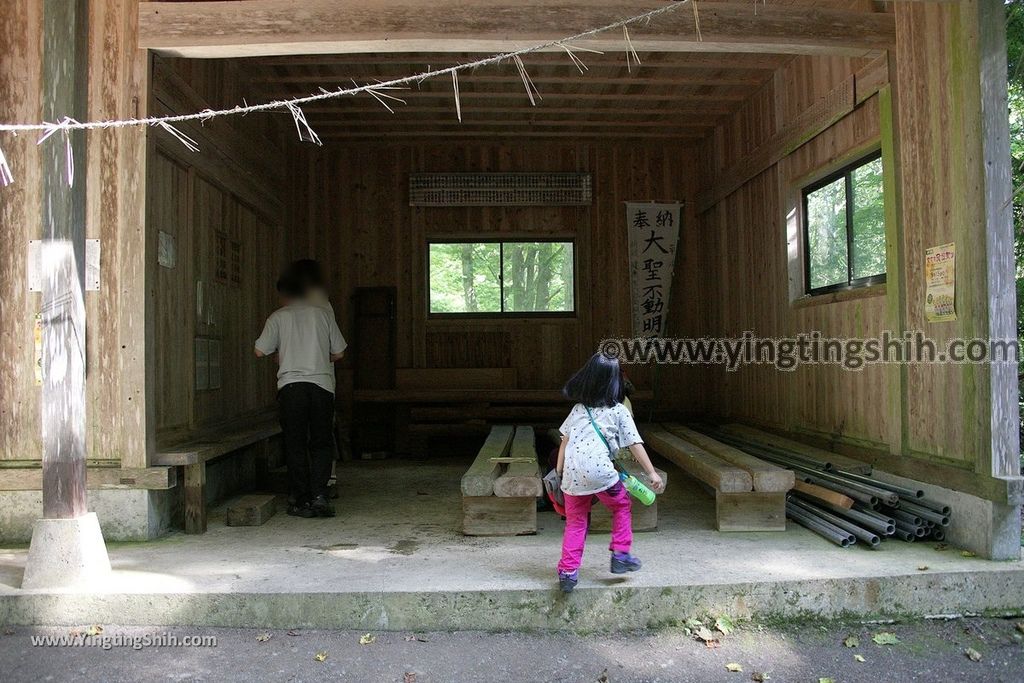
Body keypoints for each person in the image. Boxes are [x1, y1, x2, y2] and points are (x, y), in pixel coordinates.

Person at [555, 352, 664, 593]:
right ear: (615, 381)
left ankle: (568, 573)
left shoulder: (578, 409)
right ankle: (621, 554)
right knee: (621, 505)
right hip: (602, 473)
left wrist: (558, 473)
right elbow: (635, 444)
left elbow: (564, 442)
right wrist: (652, 473)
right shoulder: (618, 411)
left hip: (572, 476)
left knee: (576, 522)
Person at [255, 262, 346, 519]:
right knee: (321, 442)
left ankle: (299, 499)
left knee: (294, 443)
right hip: (321, 386)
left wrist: (284, 351)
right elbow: (338, 352)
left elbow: (260, 350)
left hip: (291, 388)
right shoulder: (323, 314)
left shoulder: (278, 317)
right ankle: (319, 496)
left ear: (285, 294)